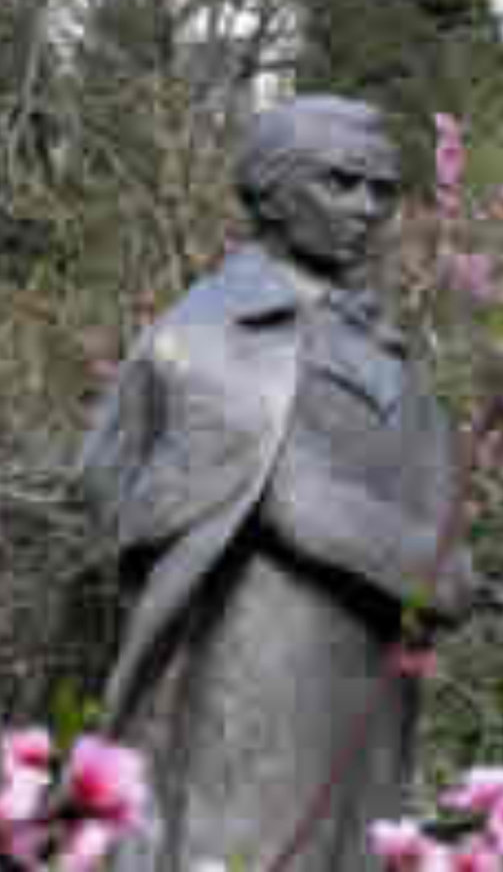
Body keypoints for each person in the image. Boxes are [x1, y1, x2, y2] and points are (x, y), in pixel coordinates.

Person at [79, 95, 477, 871]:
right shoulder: (211, 334)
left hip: (370, 693)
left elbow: (434, 530)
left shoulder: (390, 351)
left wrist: (439, 570)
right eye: (340, 183)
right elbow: (111, 483)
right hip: (254, 680)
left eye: (380, 191)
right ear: (270, 191)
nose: (367, 209)